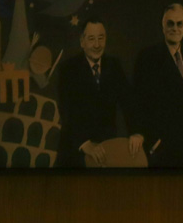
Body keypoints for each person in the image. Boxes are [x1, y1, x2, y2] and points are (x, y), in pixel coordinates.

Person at [55, 19, 142, 167]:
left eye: (101, 38)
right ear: (82, 42)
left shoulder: (114, 66)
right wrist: (85, 143)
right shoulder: (68, 70)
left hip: (106, 150)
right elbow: (66, 112)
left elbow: (129, 102)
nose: (97, 45)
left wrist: (136, 132)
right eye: (91, 39)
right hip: (75, 151)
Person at [133, 3, 183, 167]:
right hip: (162, 148)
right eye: (170, 23)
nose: (175, 28)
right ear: (163, 26)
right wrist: (153, 140)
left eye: (180, 24)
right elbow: (138, 102)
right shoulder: (147, 58)